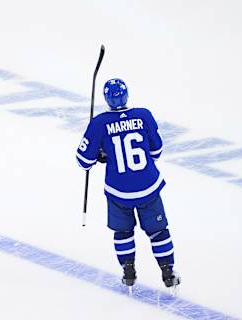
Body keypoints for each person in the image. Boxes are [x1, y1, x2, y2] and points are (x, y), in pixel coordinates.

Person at [75, 79, 180, 288]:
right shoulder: (143, 115)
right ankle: (168, 271)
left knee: (123, 232)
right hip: (148, 187)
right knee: (158, 231)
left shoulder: (99, 123)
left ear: (106, 98)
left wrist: (101, 153)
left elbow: (83, 160)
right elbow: (156, 151)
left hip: (118, 191)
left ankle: (128, 270)